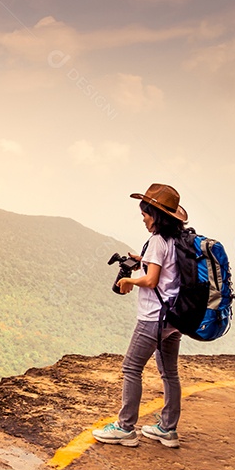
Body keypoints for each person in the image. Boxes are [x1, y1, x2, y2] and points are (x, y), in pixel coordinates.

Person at [92, 183, 186, 449]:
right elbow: (168, 272)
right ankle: (167, 429)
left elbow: (154, 280)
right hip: (174, 317)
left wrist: (131, 282)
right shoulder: (177, 240)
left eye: (145, 213)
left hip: (153, 317)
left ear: (155, 215)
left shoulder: (157, 241)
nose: (143, 218)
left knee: (131, 368)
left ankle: (125, 428)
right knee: (170, 373)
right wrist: (141, 259)